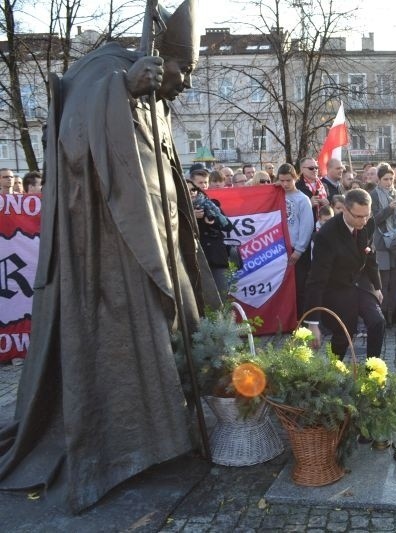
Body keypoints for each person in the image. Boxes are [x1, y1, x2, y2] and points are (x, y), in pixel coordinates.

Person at [0, 0, 218, 513]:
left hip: (158, 245)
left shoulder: (154, 93)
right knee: (129, 340)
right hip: (109, 255)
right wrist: (120, 90)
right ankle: (130, 445)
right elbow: (74, 142)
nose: (183, 82)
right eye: (182, 70)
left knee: (175, 324)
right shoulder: (106, 72)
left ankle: (170, 432)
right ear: (160, 55)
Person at [304, 189, 385, 358]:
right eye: (358, 216)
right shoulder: (327, 235)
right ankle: (335, 373)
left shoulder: (368, 223)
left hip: (360, 282)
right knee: (344, 332)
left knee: (377, 322)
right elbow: (316, 279)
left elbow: (371, 255)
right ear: (345, 210)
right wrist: (313, 323)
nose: (363, 221)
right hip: (336, 286)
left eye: (367, 215)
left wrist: (377, 287)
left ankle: (373, 373)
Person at [370, 164, 396, 326]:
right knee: (383, 281)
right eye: (385, 179)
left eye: (391, 179)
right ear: (378, 180)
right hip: (382, 242)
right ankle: (382, 314)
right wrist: (388, 209)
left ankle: (393, 313)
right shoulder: (374, 194)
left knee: (395, 281)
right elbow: (373, 220)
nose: (389, 182)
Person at [189, 165, 234, 296]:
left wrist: (215, 222)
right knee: (200, 298)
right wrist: (192, 216)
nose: (203, 186)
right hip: (195, 257)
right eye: (200, 183)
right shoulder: (181, 205)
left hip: (216, 257)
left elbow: (228, 226)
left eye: (206, 183)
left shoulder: (211, 203)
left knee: (222, 296)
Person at [276, 163, 314, 319]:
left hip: (297, 250)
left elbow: (307, 226)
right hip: (279, 250)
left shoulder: (302, 199)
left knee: (299, 287)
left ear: (295, 178)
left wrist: (299, 250)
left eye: (288, 181)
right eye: (282, 181)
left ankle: (301, 319)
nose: (285, 184)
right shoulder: (277, 194)